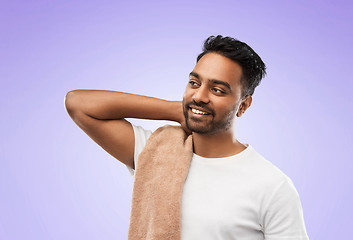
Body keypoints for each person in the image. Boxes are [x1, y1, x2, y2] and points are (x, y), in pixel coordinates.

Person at [65, 35, 309, 239]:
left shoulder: (273, 187)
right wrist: (177, 110)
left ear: (243, 105)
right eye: (194, 82)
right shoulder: (157, 152)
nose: (200, 95)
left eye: (217, 90)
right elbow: (79, 104)